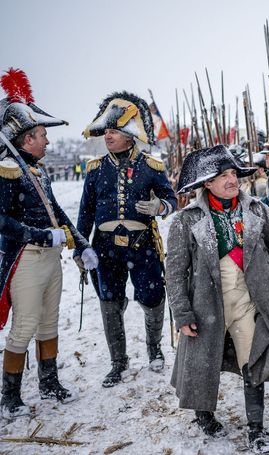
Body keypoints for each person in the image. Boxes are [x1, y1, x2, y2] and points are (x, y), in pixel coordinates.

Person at [167, 145, 269, 453]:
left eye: (233, 173)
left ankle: (256, 428)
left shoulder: (257, 210)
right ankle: (204, 416)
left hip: (248, 301)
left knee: (254, 361)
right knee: (202, 364)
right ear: (207, 183)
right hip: (206, 304)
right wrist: (183, 314)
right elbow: (175, 272)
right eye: (222, 175)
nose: (231, 180)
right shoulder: (186, 220)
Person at [0, 68, 98, 418]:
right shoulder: (7, 170)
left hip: (52, 258)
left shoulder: (37, 171)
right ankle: (9, 396)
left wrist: (81, 243)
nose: (48, 141)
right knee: (25, 324)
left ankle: (49, 381)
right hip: (26, 257)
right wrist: (40, 235)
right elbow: (2, 222)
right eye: (42, 135)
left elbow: (56, 213)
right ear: (26, 138)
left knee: (49, 322)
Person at [77, 91, 177, 387]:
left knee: (152, 298)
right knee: (109, 302)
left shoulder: (151, 166)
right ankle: (118, 362)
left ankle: (154, 348)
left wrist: (160, 207)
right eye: (106, 131)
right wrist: (81, 249)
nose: (108, 136)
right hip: (105, 249)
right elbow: (85, 212)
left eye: (114, 131)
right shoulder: (94, 170)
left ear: (130, 136)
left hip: (142, 245)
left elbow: (172, 199)